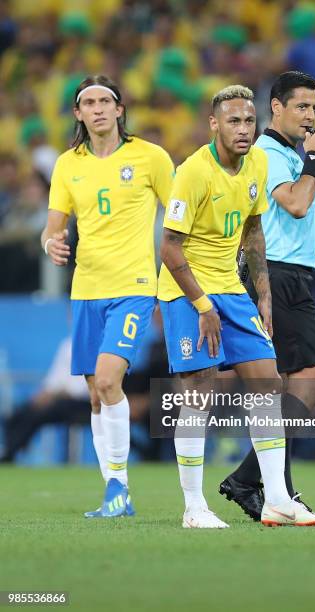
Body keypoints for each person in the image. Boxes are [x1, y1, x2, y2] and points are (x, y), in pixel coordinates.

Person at [158, 84, 315, 528]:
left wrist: (264, 294)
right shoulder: (192, 172)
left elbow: (254, 230)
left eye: (248, 121)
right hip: (185, 289)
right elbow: (170, 248)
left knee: (269, 382)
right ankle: (194, 508)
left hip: (232, 289)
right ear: (214, 124)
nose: (243, 129)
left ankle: (276, 499)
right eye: (233, 121)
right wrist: (201, 305)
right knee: (199, 394)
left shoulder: (256, 162)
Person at [41, 75, 174, 517]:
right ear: (78, 113)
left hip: (133, 288)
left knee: (107, 381)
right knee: (95, 396)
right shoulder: (67, 165)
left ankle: (117, 486)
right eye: (88, 102)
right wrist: (51, 243)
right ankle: (117, 493)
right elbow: (53, 226)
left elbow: (180, 216)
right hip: (85, 291)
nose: (98, 108)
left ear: (120, 109)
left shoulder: (150, 157)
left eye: (106, 101)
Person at [220, 71, 315, 523]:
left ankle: (264, 485)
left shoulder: (285, 152)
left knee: (287, 390)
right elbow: (297, 203)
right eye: (301, 106)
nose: (309, 117)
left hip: (292, 276)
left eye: (314, 108)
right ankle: (258, 483)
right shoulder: (268, 153)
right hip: (279, 275)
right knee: (310, 386)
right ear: (277, 108)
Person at [0, 337, 90, 463]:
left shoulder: (94, 343)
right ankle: (10, 452)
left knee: (39, 414)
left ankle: (11, 452)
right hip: (59, 399)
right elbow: (55, 377)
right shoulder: (67, 344)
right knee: (19, 413)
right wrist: (44, 393)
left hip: (81, 402)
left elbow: (84, 386)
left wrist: (56, 394)